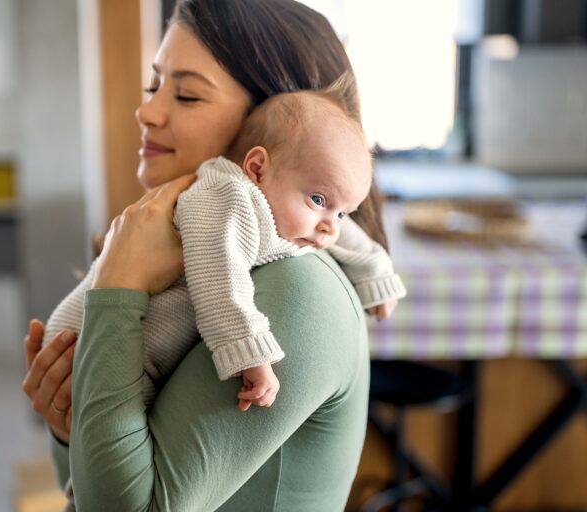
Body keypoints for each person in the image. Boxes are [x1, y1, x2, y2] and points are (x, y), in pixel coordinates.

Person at [22, 0, 398, 508]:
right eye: (155, 85)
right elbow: (89, 490)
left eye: (188, 95)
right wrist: (70, 423)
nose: (147, 110)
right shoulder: (197, 249)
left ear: (271, 130)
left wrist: (119, 287)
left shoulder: (298, 291)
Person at [42, 84, 405, 415]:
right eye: (318, 200)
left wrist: (375, 268)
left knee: (110, 435)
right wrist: (248, 349)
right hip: (82, 338)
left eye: (343, 212)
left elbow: (335, 222)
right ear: (258, 167)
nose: (332, 227)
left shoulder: (291, 203)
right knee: (111, 433)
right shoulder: (226, 195)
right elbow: (219, 272)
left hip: (132, 352)